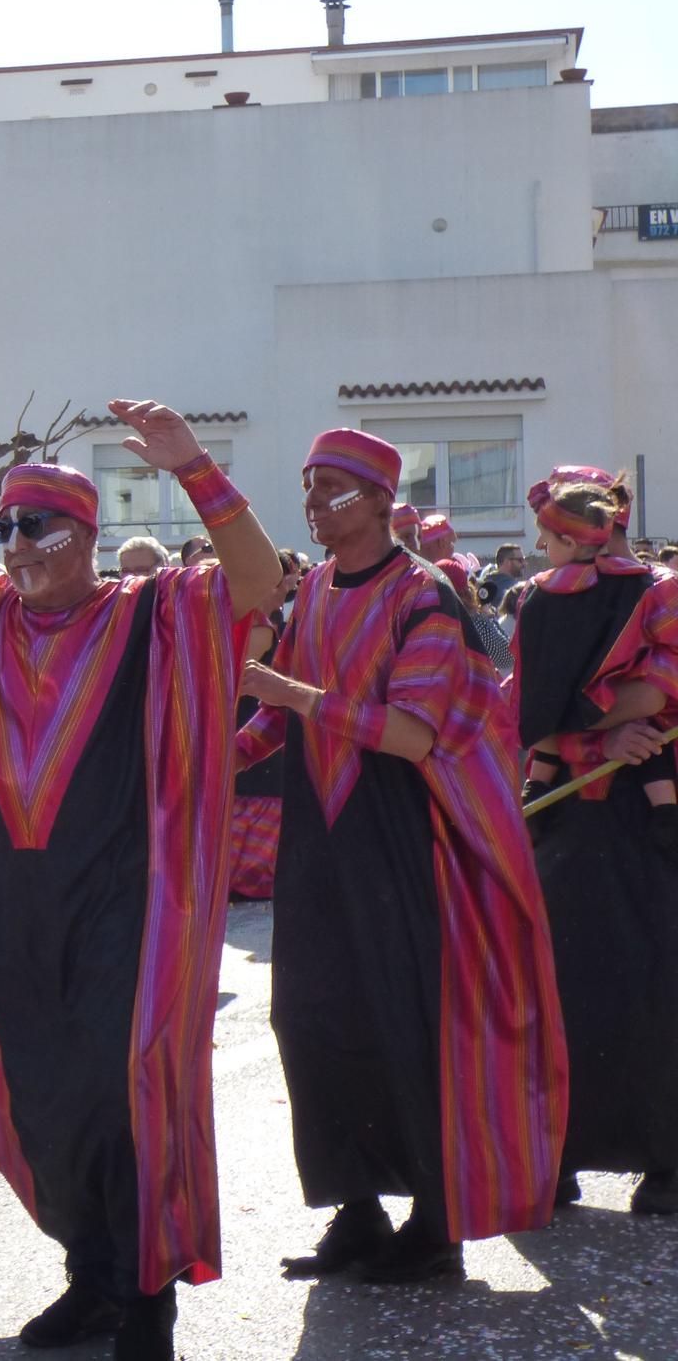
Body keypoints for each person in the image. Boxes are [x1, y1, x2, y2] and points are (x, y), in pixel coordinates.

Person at [0, 395, 282, 1361]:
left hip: (127, 901)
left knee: (122, 1091)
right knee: (42, 1093)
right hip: (7, 900)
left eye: (36, 525)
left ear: (87, 534)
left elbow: (253, 579)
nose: (15, 543)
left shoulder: (153, 608)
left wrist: (195, 469)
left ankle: (145, 1301)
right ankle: (89, 1278)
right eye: (5, 526)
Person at [239, 428, 565, 1290]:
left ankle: (436, 1223)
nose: (314, 504)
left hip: (401, 840)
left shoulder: (424, 599)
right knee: (311, 1021)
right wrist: (201, 756)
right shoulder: (311, 594)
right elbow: (280, 721)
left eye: (335, 488)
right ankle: (356, 1210)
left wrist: (288, 692)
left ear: (384, 499)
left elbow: (413, 735)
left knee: (402, 1026)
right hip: (319, 839)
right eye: (309, 487)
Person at [511, 474, 678, 1214]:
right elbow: (530, 706)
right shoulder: (538, 599)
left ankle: (666, 1158)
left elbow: (664, 685)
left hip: (650, 816)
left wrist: (588, 728)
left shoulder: (662, 591)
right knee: (562, 986)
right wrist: (601, 734)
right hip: (574, 812)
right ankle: (561, 1152)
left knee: (657, 984)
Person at [228, 551, 302, 901]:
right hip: (249, 717)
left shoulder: (259, 624)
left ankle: (249, 875)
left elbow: (233, 674)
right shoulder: (256, 620)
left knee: (257, 786)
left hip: (254, 718)